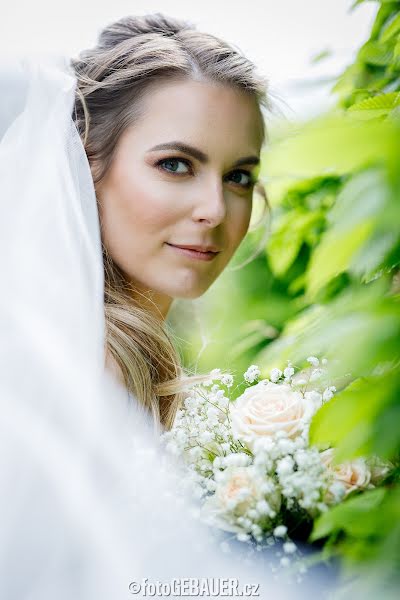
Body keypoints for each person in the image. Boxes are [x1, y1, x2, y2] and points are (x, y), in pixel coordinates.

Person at [70, 12, 271, 431]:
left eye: (238, 177)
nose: (214, 210)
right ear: (86, 163)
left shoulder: (128, 363)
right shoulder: (86, 373)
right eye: (175, 164)